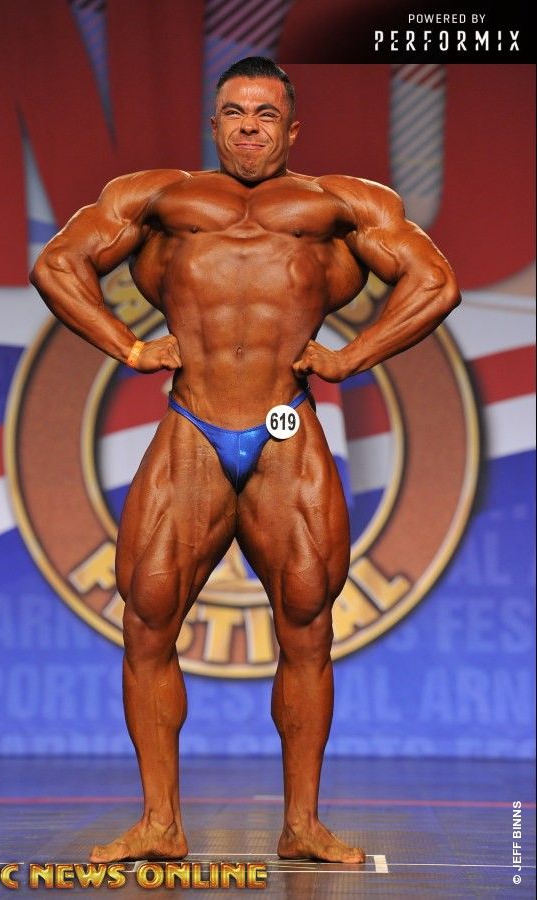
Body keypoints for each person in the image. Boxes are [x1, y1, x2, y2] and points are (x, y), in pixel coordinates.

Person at [30, 57, 460, 864]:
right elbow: (56, 263)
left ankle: (302, 825)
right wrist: (126, 345)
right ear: (215, 124)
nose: (250, 126)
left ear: (291, 129)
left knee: (307, 626)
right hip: (192, 425)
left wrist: (353, 356)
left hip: (284, 424)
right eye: (235, 112)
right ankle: (160, 823)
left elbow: (434, 282)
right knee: (147, 619)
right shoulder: (161, 198)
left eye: (265, 114)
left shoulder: (339, 204)